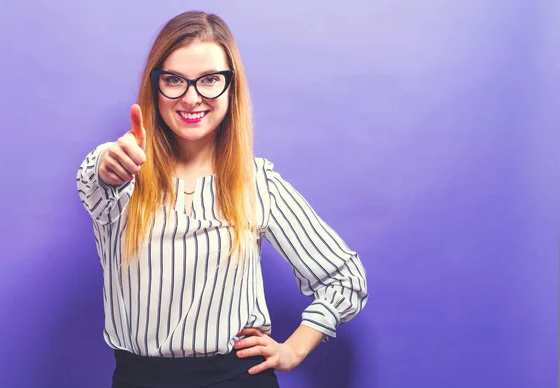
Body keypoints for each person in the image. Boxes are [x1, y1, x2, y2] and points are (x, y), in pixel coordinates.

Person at [76, 10, 368, 388]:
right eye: (174, 80)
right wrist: (107, 165)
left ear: (231, 87)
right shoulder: (122, 174)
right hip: (140, 378)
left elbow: (345, 278)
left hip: (235, 379)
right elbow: (98, 181)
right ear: (155, 86)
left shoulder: (256, 182)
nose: (192, 97)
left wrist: (294, 348)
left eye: (210, 80)